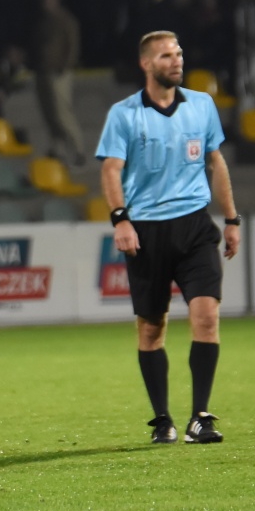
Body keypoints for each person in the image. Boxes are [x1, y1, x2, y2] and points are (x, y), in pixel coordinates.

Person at [96, 31, 241, 446]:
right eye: (165, 55)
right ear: (146, 63)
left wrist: (232, 219)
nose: (176, 61)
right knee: (151, 330)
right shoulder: (124, 114)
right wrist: (121, 220)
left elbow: (215, 162)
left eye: (178, 53)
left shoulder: (202, 105)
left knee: (206, 317)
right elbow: (110, 170)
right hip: (147, 231)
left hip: (195, 226)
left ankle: (200, 417)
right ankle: (162, 419)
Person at [33, 0, 87, 165]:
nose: (46, 3)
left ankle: (78, 149)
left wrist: (66, 65)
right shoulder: (42, 21)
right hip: (43, 71)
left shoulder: (66, 20)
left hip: (60, 72)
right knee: (49, 112)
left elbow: (73, 44)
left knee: (62, 111)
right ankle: (59, 148)